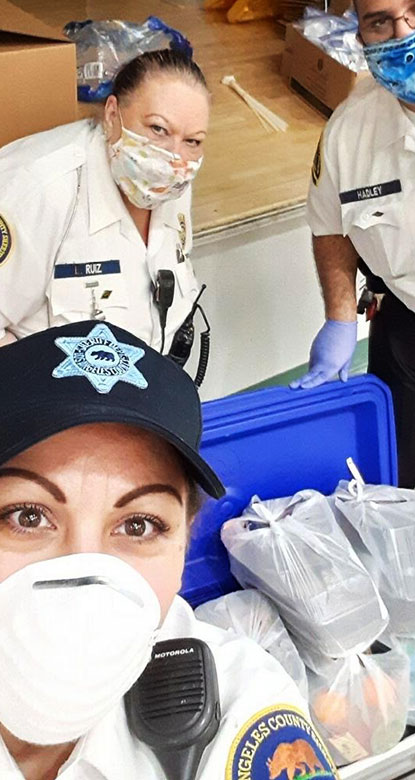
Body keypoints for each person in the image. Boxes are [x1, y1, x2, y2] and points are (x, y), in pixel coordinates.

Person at [0, 321, 338, 780]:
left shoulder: (238, 706)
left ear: (183, 542)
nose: (84, 578)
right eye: (27, 517)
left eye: (138, 525)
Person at [300, 0, 415, 490]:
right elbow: (329, 224)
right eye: (380, 22)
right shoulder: (349, 133)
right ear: (360, 35)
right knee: (379, 483)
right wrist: (340, 318)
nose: (404, 33)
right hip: (412, 332)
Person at [0, 49, 207, 355]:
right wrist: (34, 379)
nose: (174, 158)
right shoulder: (39, 190)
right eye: (158, 129)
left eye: (192, 141)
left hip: (151, 375)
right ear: (112, 114)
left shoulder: (173, 182)